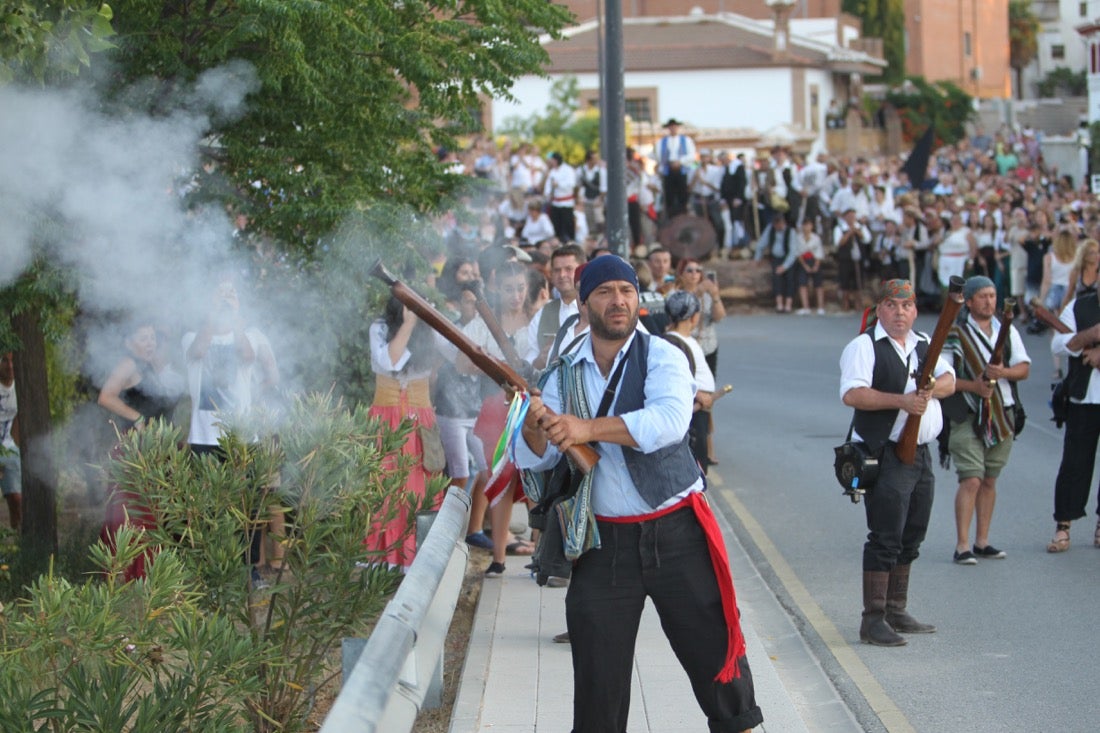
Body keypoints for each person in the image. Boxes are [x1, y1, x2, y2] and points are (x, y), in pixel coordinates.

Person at [515, 255, 762, 733]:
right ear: (584, 302)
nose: (619, 301)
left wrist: (585, 427)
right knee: (597, 680)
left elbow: (668, 424)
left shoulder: (665, 354)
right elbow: (538, 461)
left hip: (678, 534)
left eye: (626, 291)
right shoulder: (561, 374)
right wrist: (534, 426)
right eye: (605, 291)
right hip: (603, 543)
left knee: (717, 660)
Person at [839, 279, 955, 646]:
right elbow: (853, 394)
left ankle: (895, 609)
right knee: (885, 536)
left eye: (906, 306)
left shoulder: (923, 344)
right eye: (892, 305)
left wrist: (930, 388)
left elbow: (950, 380)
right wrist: (903, 401)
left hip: (920, 454)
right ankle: (872, 619)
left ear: (915, 310)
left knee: (913, 532)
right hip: (886, 453)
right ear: (879, 310)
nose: (900, 312)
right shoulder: (864, 346)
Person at [943, 276, 1030, 565]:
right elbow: (942, 379)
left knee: (990, 479)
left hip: (1001, 413)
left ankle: (982, 541)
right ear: (968, 302)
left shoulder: (1007, 332)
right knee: (971, 478)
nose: (989, 301)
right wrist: (974, 387)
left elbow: (1023, 368)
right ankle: (962, 545)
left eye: (992, 295)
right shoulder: (954, 333)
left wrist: (1002, 373)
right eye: (982, 296)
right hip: (967, 413)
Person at [461, 261, 537, 576]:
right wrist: (496, 366)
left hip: (533, 408)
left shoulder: (536, 321)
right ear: (497, 289)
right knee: (501, 482)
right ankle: (499, 557)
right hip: (497, 408)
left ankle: (541, 553)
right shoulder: (483, 323)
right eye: (508, 289)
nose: (516, 295)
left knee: (535, 482)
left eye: (520, 288)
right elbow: (462, 364)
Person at [98, 322, 186, 578]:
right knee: (133, 516)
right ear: (128, 342)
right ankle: (131, 575)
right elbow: (105, 396)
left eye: (152, 338)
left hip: (152, 451)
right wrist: (137, 419)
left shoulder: (148, 366)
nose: (150, 343)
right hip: (134, 451)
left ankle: (147, 575)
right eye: (143, 338)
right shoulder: (128, 364)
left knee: (149, 514)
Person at [365, 293, 443, 569]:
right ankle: (383, 560)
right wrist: (408, 325)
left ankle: (417, 560)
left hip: (419, 420)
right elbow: (390, 362)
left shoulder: (432, 330)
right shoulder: (380, 328)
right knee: (386, 490)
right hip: (386, 419)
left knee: (418, 490)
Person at [1047, 286, 1100, 552]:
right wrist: (1086, 337)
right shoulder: (1079, 307)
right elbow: (1059, 343)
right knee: (1074, 463)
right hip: (1084, 397)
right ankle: (1063, 525)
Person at [663, 290, 716, 472]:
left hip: (699, 408)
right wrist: (699, 394)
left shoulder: (684, 339)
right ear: (694, 316)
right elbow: (676, 379)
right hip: (692, 411)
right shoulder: (674, 342)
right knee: (696, 459)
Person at [755, 211, 797, 313]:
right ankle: (779, 304)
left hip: (788, 259)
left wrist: (785, 266)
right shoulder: (770, 229)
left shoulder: (791, 232)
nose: (779, 226)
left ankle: (788, 304)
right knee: (776, 278)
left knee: (790, 279)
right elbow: (761, 244)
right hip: (776, 258)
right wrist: (757, 258)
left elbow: (793, 252)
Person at [0, 352, 21, 530]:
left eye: (12, 360)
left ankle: (17, 540)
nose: (10, 365)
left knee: (16, 499)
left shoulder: (19, 388)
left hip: (8, 446)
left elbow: (18, 420)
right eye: (5, 360)